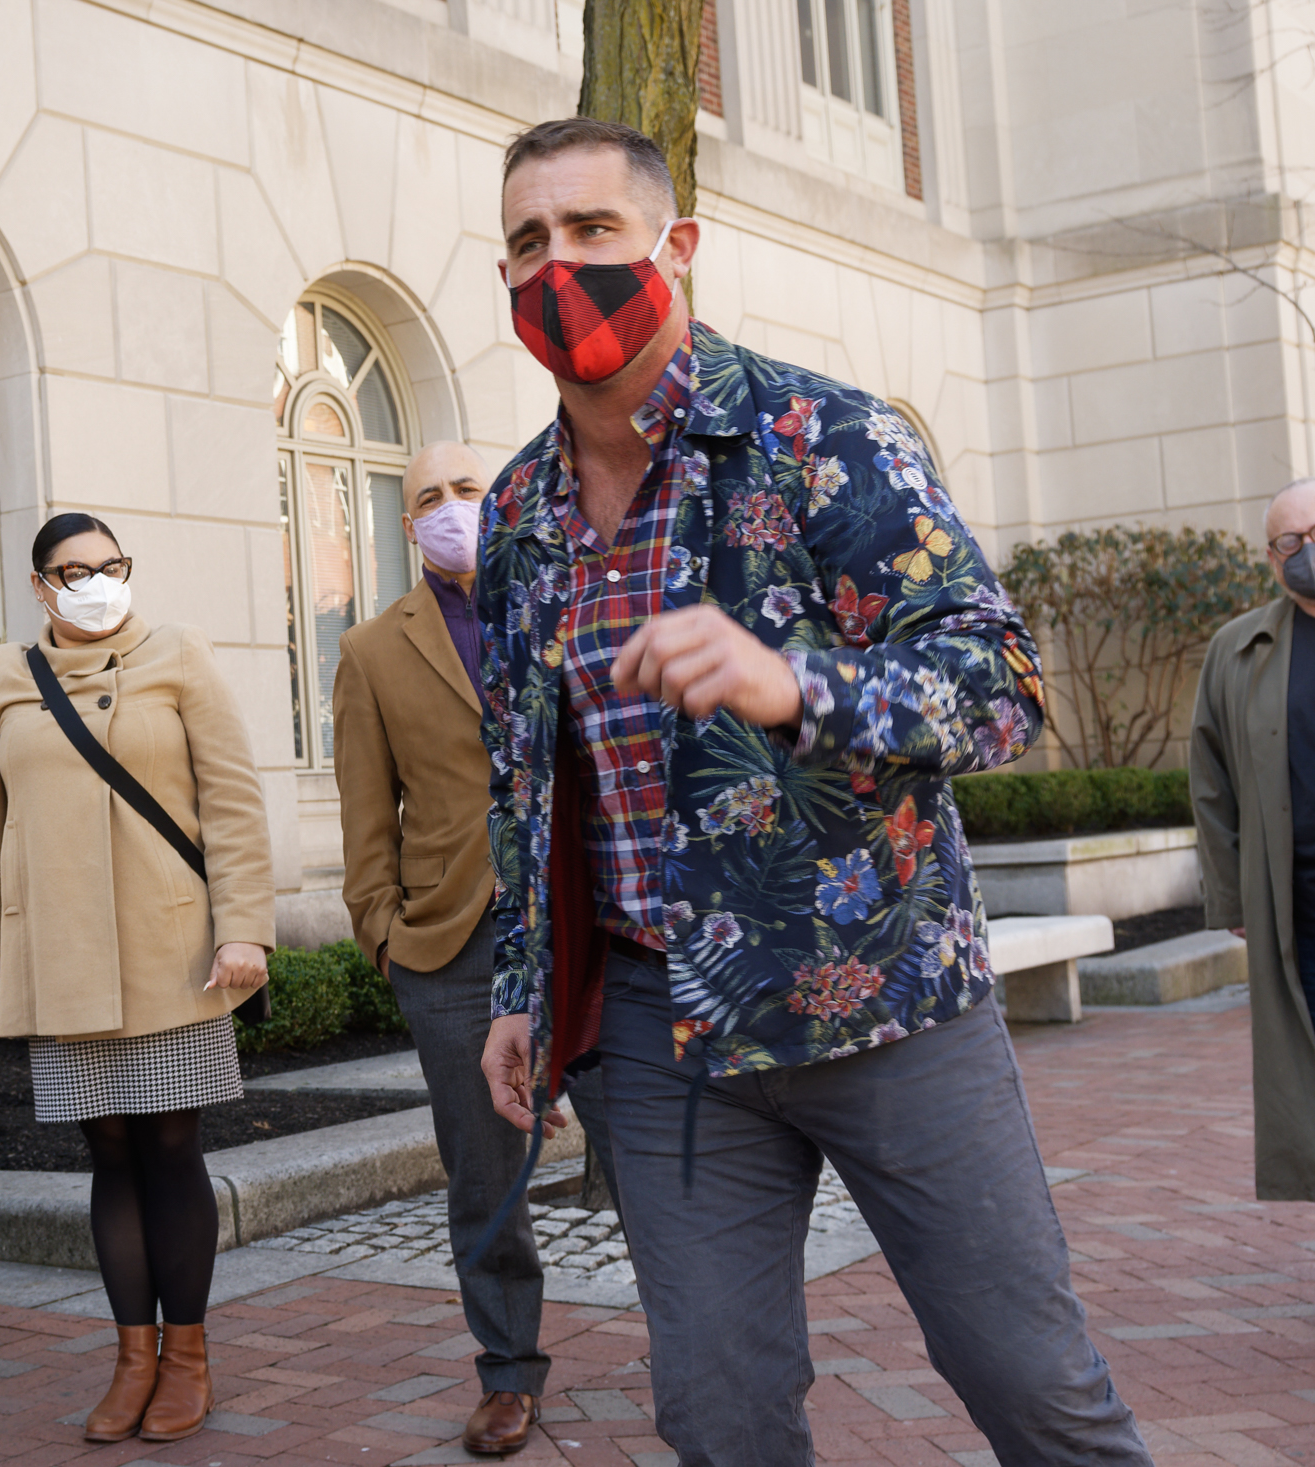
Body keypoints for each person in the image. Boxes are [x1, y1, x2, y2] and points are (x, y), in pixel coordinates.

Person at [473, 118, 1150, 1463]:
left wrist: (799, 683)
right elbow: (529, 780)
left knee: (1033, 1386)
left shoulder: (820, 435)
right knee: (718, 1416)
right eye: (526, 243)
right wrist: (521, 986)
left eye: (592, 231)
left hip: (884, 999)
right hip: (668, 1031)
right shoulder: (517, 514)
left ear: (677, 248)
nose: (559, 266)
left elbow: (1001, 682)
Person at [0, 513, 273, 1445]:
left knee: (171, 1150)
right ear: (42, 586)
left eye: (109, 565)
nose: (94, 580)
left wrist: (244, 927)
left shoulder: (179, 655)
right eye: (72, 569)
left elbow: (234, 799)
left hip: (171, 951)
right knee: (110, 1156)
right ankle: (132, 1355)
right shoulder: (4, 677)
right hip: (62, 955)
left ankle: (190, 1357)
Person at [331, 439, 619, 1456]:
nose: (451, 509)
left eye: (467, 490)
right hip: (452, 944)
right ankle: (507, 1371)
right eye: (427, 499)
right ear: (404, 522)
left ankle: (696, 1341)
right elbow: (366, 822)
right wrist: (387, 942)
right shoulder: (372, 651)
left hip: (595, 920)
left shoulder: (573, 599)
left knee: (648, 1147)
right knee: (482, 1174)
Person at [1190, 476, 1315, 1201]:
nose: (1303, 552)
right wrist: (1233, 893)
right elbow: (1210, 782)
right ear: (1272, 559)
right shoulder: (1239, 649)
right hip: (1295, 902)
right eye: (1289, 542)